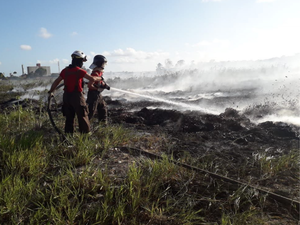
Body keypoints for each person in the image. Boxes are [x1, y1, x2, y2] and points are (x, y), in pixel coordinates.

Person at [48, 50, 99, 134]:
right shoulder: (80, 71)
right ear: (80, 61)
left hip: (66, 97)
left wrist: (51, 91)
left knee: (69, 117)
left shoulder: (65, 70)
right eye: (82, 61)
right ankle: (85, 136)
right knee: (82, 116)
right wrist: (100, 78)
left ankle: (68, 136)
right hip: (77, 97)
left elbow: (56, 82)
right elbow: (92, 79)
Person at [86, 55, 110, 125]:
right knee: (91, 111)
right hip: (93, 94)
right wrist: (98, 88)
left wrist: (104, 85)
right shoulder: (95, 73)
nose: (104, 65)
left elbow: (100, 82)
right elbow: (90, 86)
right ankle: (84, 127)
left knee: (103, 109)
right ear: (100, 63)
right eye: (103, 63)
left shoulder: (99, 72)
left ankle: (103, 125)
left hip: (98, 94)